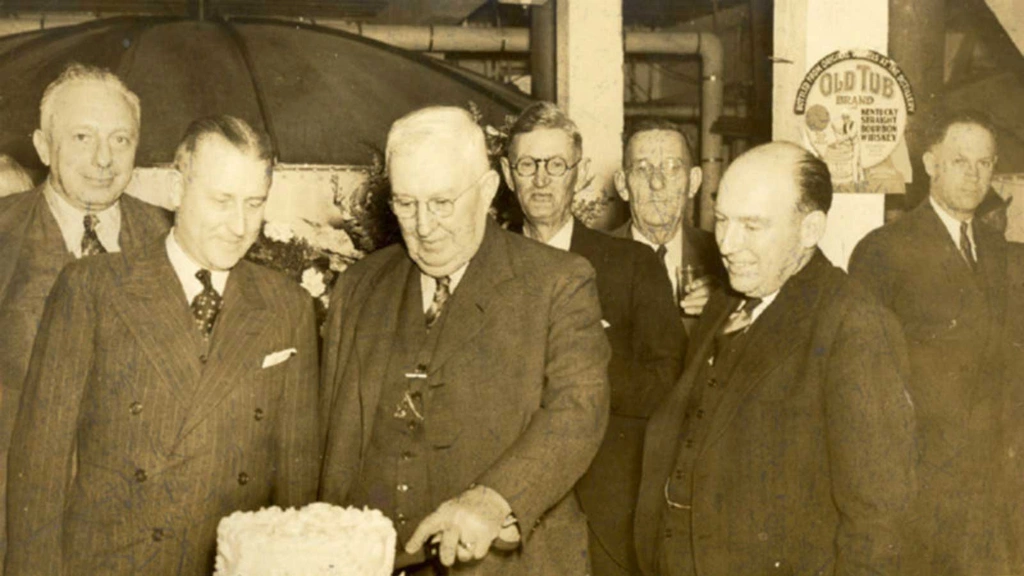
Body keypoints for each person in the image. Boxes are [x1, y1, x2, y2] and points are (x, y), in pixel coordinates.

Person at [5, 115, 321, 576]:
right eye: (221, 201)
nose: (239, 225)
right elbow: (41, 467)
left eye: (254, 203)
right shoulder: (93, 288)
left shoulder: (288, 306)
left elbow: (296, 487)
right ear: (177, 190)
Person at [319, 106, 610, 575]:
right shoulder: (359, 286)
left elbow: (580, 408)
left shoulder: (557, 281)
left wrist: (495, 500)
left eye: (441, 202)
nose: (424, 225)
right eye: (406, 203)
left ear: (488, 189)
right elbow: (334, 444)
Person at [636, 142, 916, 576]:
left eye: (752, 226)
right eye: (722, 220)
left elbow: (878, 521)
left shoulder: (855, 325)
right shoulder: (726, 301)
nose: (727, 244)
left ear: (810, 229)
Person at [499, 102, 684, 576]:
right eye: (528, 165)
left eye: (556, 165)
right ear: (507, 175)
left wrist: (575, 366)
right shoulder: (485, 268)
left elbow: (667, 383)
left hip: (603, 516)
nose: (542, 180)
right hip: (502, 506)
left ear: (578, 174)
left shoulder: (632, 265)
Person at [0, 63, 170, 570]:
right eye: (82, 137)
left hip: (142, 534)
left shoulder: (172, 237)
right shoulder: (4, 234)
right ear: (43, 146)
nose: (103, 159)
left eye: (120, 139)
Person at [849, 109, 1011, 575]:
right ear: (930, 164)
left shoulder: (998, 250)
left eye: (984, 163)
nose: (974, 175)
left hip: (990, 483)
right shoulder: (884, 249)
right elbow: (863, 379)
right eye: (960, 161)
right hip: (919, 483)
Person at [612, 119, 725, 331]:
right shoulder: (592, 261)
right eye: (642, 169)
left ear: (693, 182)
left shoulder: (725, 258)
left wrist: (723, 304)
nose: (657, 183)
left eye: (672, 168)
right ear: (622, 185)